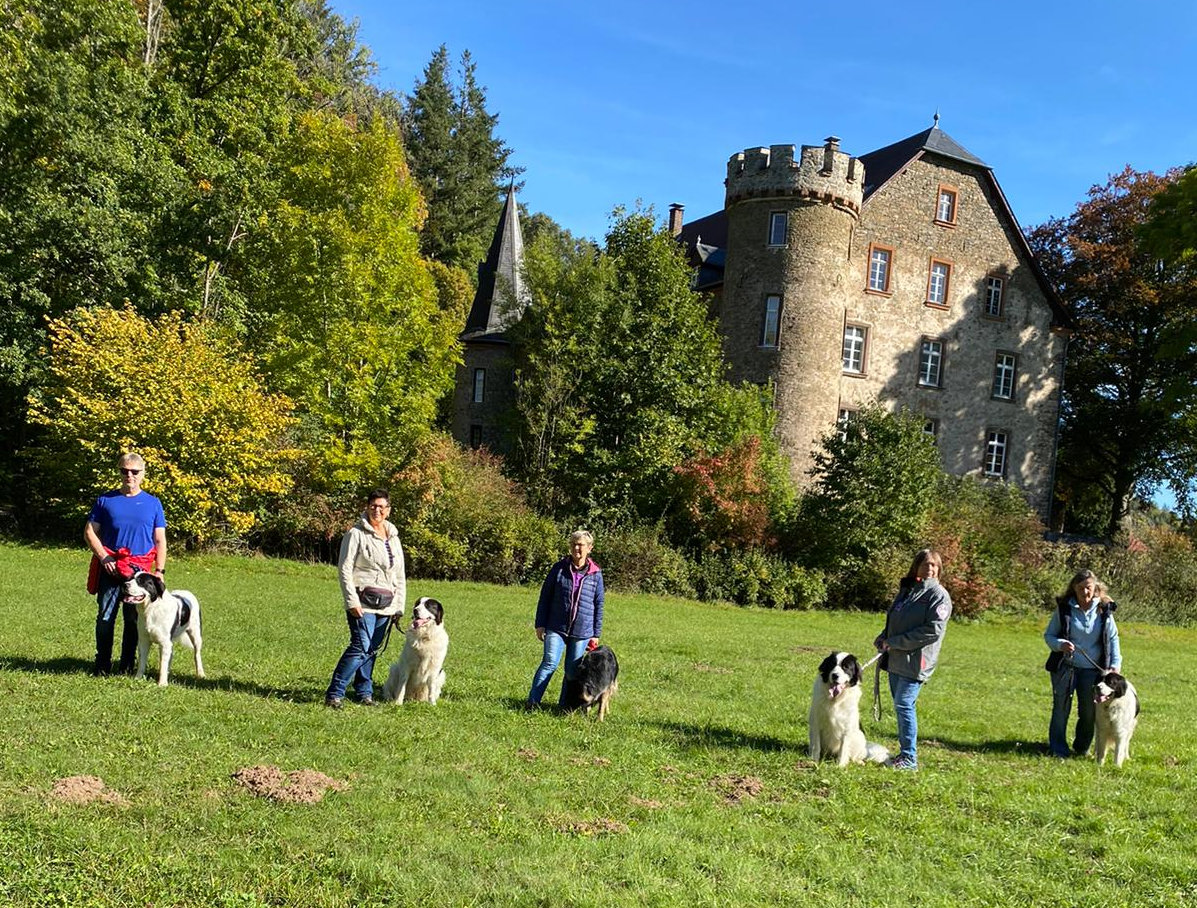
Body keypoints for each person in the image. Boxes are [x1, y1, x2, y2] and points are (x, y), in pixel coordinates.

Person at [84, 452, 167, 676]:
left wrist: (159, 571)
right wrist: (104, 557)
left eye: (134, 472)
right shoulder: (105, 500)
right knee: (105, 617)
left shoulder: (153, 503)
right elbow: (90, 532)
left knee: (133, 620)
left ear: (143, 474)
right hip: (110, 569)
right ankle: (102, 664)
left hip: (139, 573)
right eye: (124, 471)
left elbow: (160, 540)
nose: (129, 475)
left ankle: (127, 665)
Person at [325, 489, 406, 709]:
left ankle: (364, 693)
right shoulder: (355, 534)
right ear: (367, 507)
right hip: (362, 603)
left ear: (388, 510)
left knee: (371, 650)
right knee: (360, 647)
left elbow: (399, 575)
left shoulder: (394, 538)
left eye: (381, 506)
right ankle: (334, 693)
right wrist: (352, 602)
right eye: (373, 506)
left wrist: (399, 606)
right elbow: (344, 569)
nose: (377, 510)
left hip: (386, 604)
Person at [874, 548, 953, 771]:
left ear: (939, 570)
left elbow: (932, 631)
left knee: (904, 704)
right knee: (901, 707)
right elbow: (896, 620)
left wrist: (896, 641)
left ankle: (909, 759)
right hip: (896, 658)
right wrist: (884, 637)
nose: (930, 568)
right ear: (916, 566)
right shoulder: (907, 591)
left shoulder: (939, 596)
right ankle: (903, 753)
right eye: (925, 564)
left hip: (917, 661)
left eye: (934, 565)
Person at [1043, 569, 1121, 759]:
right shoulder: (1064, 609)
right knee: (1061, 708)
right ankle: (1058, 749)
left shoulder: (1104, 610)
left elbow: (1113, 638)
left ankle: (1081, 748)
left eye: (1088, 588)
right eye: (1080, 589)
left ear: (1095, 589)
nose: (1085, 592)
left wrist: (1115, 665)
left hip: (1092, 671)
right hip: (1065, 667)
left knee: (1088, 712)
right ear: (1074, 589)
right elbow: (1049, 635)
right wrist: (1060, 644)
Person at [526, 530, 605, 710]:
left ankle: (564, 706)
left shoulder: (596, 574)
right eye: (574, 544)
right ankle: (532, 702)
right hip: (556, 626)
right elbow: (545, 596)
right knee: (549, 663)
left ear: (589, 548)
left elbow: (599, 604)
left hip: (582, 630)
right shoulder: (558, 568)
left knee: (572, 671)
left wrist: (595, 634)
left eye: (581, 545)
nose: (577, 548)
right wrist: (540, 624)